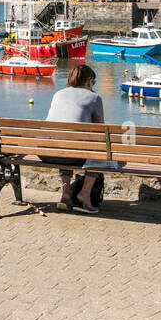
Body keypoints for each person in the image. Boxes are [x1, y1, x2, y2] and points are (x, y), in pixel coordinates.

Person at [43, 63, 105, 213]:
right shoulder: (94, 97)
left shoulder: (58, 94)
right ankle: (84, 193)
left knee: (64, 145)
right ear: (89, 81)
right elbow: (101, 131)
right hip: (73, 155)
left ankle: (66, 193)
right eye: (94, 82)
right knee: (101, 152)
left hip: (47, 153)